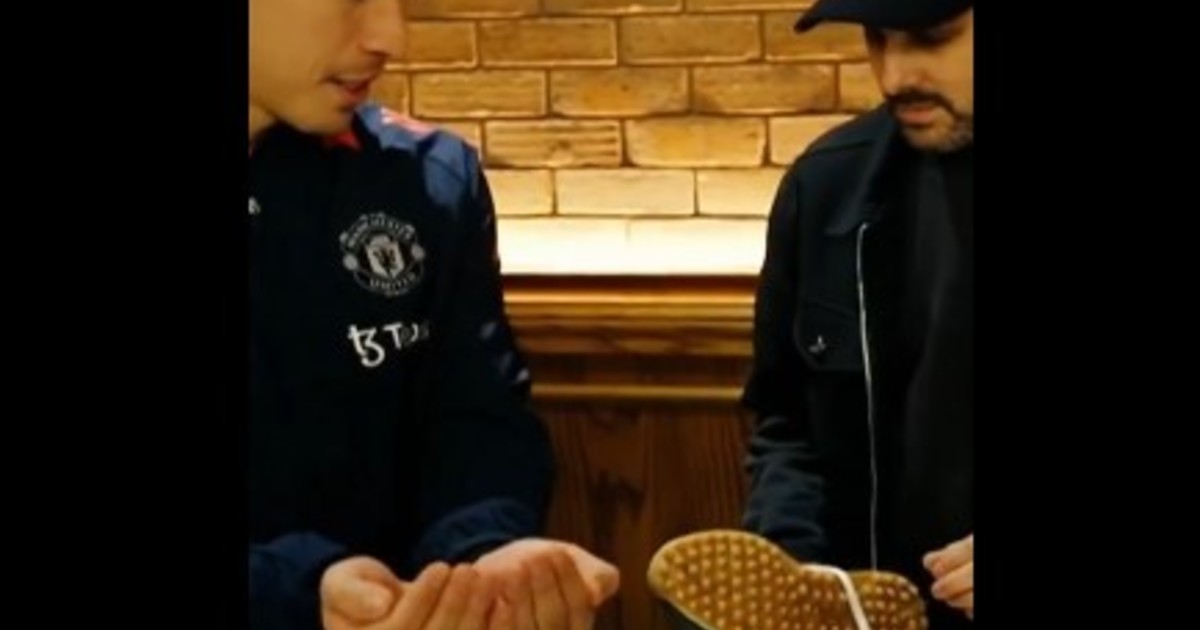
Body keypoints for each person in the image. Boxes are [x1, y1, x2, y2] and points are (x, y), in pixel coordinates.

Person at [247, 0, 619, 628]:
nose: (390, 36)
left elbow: (476, 422)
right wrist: (296, 594)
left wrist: (489, 557)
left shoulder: (427, 178)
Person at [648, 0, 973, 627]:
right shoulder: (828, 183)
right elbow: (790, 424)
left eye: (931, 37)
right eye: (877, 38)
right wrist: (793, 577)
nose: (893, 74)